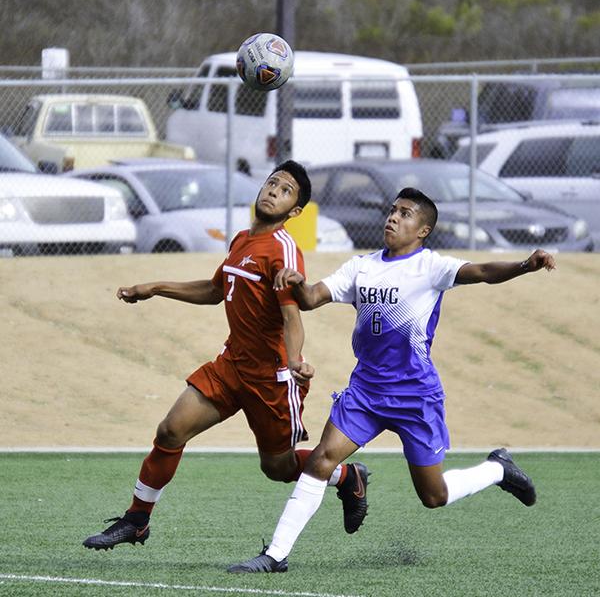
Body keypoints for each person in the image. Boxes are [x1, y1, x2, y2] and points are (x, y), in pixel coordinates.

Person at [228, 187, 556, 573]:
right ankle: (275, 555)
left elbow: (482, 272)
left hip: (415, 396)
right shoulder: (361, 267)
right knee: (320, 460)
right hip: (366, 391)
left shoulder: (431, 267)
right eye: (392, 210)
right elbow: (313, 297)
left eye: (405, 214)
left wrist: (524, 265)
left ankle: (498, 469)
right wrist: (298, 281)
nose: (393, 218)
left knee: (433, 496)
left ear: (423, 230)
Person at [82, 160, 369, 551]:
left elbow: (291, 316)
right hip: (231, 366)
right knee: (170, 430)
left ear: (295, 210)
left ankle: (347, 477)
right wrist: (156, 287)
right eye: (272, 183)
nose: (273, 191)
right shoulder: (241, 240)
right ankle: (136, 520)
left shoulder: (284, 249)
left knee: (278, 468)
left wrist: (296, 359)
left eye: (285, 190)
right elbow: (216, 289)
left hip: (271, 377)